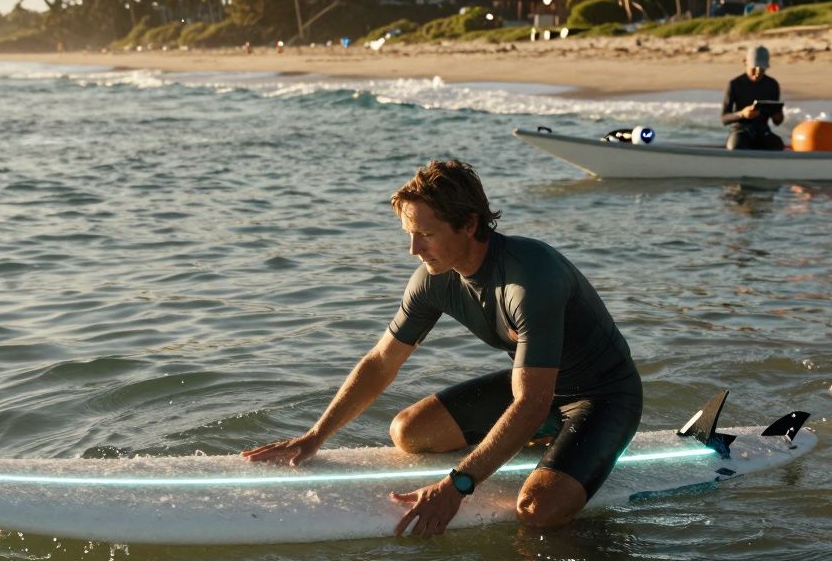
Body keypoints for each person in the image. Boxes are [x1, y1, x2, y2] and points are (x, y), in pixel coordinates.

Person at [242, 161, 643, 537]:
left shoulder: (529, 279)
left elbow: (531, 402)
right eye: (409, 234)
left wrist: (458, 484)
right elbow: (382, 362)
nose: (414, 249)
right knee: (409, 432)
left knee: (538, 511)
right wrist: (316, 435)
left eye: (426, 235)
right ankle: (545, 436)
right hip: (539, 390)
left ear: (469, 225)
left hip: (603, 396)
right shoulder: (435, 278)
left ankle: (572, 460)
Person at [721, 46, 786, 151]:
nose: (757, 73)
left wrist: (778, 116)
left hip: (763, 131)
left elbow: (777, 122)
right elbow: (724, 118)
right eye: (754, 68)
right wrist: (742, 114)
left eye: (761, 69)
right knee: (736, 146)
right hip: (741, 132)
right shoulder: (735, 84)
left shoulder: (772, 84)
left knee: (777, 145)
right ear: (745, 62)